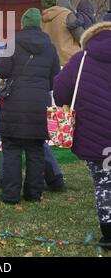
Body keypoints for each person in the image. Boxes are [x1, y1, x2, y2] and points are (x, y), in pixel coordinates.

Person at [53, 21, 111, 251]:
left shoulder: (82, 59)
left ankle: (108, 234)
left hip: (94, 132)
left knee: (104, 182)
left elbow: (59, 93)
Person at [0, 8, 60, 204]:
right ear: (39, 24)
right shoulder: (50, 47)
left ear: (22, 24)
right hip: (39, 104)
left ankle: (11, 195)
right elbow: (54, 77)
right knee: (35, 152)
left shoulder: (11, 44)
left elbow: (2, 71)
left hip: (14, 103)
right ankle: (33, 194)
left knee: (12, 151)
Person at [42, 0, 81, 66]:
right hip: (68, 58)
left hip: (50, 59)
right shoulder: (68, 15)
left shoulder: (44, 17)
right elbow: (81, 37)